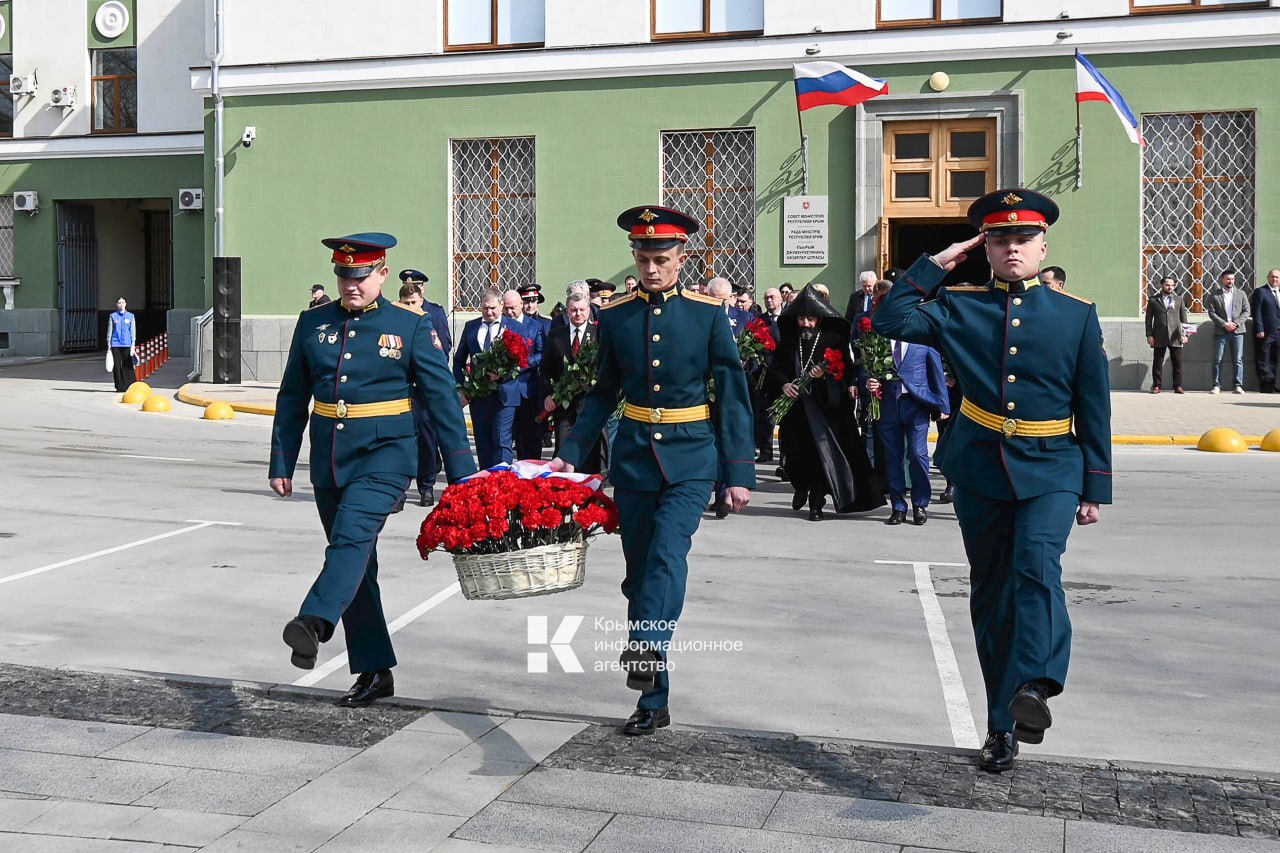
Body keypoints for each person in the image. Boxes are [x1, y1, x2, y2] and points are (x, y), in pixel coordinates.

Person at [873, 188, 1111, 773]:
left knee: (1036, 567)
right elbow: (889, 318)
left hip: (1052, 464)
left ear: (1042, 246)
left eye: (1023, 239)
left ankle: (1036, 685)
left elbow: (1093, 403)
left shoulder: (1075, 315)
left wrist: (1094, 486)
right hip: (980, 465)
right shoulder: (960, 306)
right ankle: (1002, 724)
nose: (1012, 249)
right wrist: (938, 261)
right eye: (1000, 239)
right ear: (986, 248)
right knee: (993, 597)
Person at [548, 205, 755, 736]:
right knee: (640, 576)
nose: (652, 268)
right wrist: (572, 451)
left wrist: (738, 471)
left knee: (666, 552)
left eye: (661, 259)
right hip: (636, 458)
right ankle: (653, 699)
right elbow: (602, 393)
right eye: (643, 259)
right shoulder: (616, 316)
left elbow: (733, 395)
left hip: (691, 457)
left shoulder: (707, 314)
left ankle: (646, 647)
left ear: (681, 257)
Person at [271, 232, 477, 707]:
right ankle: (374, 670)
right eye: (344, 275)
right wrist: (282, 458)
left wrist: (462, 472)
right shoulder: (313, 322)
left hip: (386, 455)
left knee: (350, 539)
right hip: (330, 457)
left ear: (382, 274)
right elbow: (292, 395)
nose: (351, 284)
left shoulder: (409, 324)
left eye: (361, 276)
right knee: (356, 563)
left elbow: (442, 398)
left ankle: (314, 622)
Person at [768, 286, 884, 521]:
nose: (806, 323)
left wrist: (827, 375)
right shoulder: (789, 339)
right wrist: (784, 385)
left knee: (820, 456)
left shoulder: (833, 338)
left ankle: (816, 502)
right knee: (794, 454)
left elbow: (846, 370)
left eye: (810, 319)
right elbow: (775, 368)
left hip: (824, 409)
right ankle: (801, 486)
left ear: (819, 318)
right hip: (796, 410)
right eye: (802, 319)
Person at [867, 339, 950, 526]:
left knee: (917, 454)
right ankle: (898, 506)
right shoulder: (879, 340)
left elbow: (936, 371)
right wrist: (868, 382)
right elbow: (867, 368)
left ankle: (919, 504)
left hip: (917, 405)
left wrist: (943, 404)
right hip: (888, 405)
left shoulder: (922, 340)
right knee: (893, 456)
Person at [397, 269, 453, 507]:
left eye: (413, 301)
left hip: (423, 388)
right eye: (406, 302)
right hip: (402, 388)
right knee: (401, 442)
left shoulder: (435, 313)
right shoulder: (394, 315)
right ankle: (399, 492)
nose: (410, 306)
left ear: (421, 297)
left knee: (427, 440)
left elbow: (443, 348)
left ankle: (426, 487)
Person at [453, 288, 524, 467]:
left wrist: (503, 372)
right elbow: (459, 359)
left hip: (504, 394)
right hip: (479, 395)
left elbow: (523, 360)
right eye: (485, 308)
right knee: (483, 443)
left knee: (502, 440)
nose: (489, 312)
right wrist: (461, 388)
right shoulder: (471, 327)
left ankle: (502, 479)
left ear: (501, 305)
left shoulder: (514, 327)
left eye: (493, 308)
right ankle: (486, 480)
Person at [706, 277, 756, 517]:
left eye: (722, 299)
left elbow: (759, 351)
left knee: (731, 436)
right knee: (713, 440)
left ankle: (726, 491)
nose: (718, 303)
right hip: (707, 389)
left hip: (735, 387)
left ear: (731, 298)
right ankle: (717, 489)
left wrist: (747, 363)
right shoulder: (700, 319)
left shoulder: (745, 319)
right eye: (713, 299)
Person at [540, 291, 604, 472]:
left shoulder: (599, 333)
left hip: (590, 404)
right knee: (563, 450)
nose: (578, 314)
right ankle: (564, 487)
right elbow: (545, 370)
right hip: (563, 406)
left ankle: (589, 487)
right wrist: (548, 395)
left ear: (589, 310)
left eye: (582, 310)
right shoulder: (556, 335)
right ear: (567, 312)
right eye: (574, 310)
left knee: (590, 453)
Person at [513, 284, 551, 460]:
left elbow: (546, 353)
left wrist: (526, 363)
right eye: (526, 301)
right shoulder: (512, 322)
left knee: (534, 431)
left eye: (533, 301)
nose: (530, 305)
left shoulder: (546, 324)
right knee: (518, 433)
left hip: (536, 382)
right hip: (515, 384)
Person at [1206, 268, 1251, 394]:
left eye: (1232, 279)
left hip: (1237, 331)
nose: (1230, 281)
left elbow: (1246, 310)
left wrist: (1236, 323)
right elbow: (1211, 312)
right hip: (1221, 331)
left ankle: (1237, 385)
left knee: (1238, 359)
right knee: (1217, 359)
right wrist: (1224, 324)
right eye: (1228, 279)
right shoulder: (1215, 295)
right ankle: (1216, 385)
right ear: (1222, 279)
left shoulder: (1241, 294)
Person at [1144, 276, 1188, 395]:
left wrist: (1186, 335)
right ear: (1162, 285)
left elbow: (1184, 319)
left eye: (1172, 285)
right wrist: (1149, 335)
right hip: (1159, 335)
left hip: (1175, 335)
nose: (1170, 287)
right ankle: (1157, 385)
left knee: (1177, 362)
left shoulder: (1179, 299)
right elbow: (1148, 319)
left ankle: (1178, 386)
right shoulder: (1153, 300)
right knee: (1158, 362)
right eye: (1167, 285)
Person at [1250, 268, 1280, 393]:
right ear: (1268, 278)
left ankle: (1272, 384)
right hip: (1265, 332)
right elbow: (1256, 311)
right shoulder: (1261, 291)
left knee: (1274, 359)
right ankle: (1265, 386)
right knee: (1263, 359)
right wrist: (1259, 329)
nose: (1275, 279)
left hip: (1278, 332)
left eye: (1277, 277)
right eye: (1272, 276)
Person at [107, 297, 138, 392]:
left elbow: (132, 331)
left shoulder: (130, 316)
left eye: (123, 302)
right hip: (115, 344)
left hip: (126, 343)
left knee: (127, 364)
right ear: (117, 305)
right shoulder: (113, 316)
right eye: (119, 303)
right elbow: (110, 330)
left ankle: (129, 384)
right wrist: (109, 344)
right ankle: (119, 386)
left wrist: (133, 344)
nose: (121, 304)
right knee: (117, 365)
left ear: (125, 304)